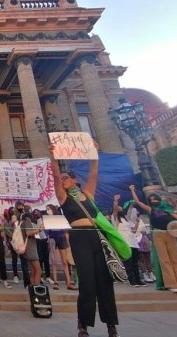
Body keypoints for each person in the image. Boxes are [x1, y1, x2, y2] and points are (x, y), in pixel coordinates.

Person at [49, 141, 119, 337]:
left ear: (73, 180)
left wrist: (94, 153)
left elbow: (94, 173)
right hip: (79, 238)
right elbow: (54, 175)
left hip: (97, 237)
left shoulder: (87, 193)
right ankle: (83, 325)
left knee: (105, 282)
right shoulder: (63, 198)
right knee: (87, 282)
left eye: (65, 178)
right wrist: (53, 157)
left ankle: (111, 325)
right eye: (61, 179)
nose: (62, 180)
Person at [129, 185, 177, 293]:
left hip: (170, 233)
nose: (153, 201)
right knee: (164, 260)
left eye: (155, 199)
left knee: (175, 260)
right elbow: (138, 202)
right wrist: (132, 191)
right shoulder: (151, 209)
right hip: (158, 234)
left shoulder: (167, 209)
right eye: (151, 200)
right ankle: (171, 284)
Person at [112, 195, 146, 287]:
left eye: (121, 208)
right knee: (129, 263)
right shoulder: (116, 220)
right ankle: (132, 280)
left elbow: (133, 228)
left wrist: (137, 222)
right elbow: (115, 210)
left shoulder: (126, 220)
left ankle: (138, 280)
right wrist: (116, 201)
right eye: (119, 208)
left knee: (135, 262)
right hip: (125, 243)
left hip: (133, 242)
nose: (120, 209)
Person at [44, 204, 76, 291]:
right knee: (54, 261)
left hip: (61, 237)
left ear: (53, 209)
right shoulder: (47, 218)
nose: (48, 211)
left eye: (49, 209)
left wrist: (68, 241)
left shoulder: (60, 217)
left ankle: (69, 282)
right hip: (52, 239)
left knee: (64, 261)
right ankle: (55, 282)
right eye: (46, 209)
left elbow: (66, 229)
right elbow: (46, 230)